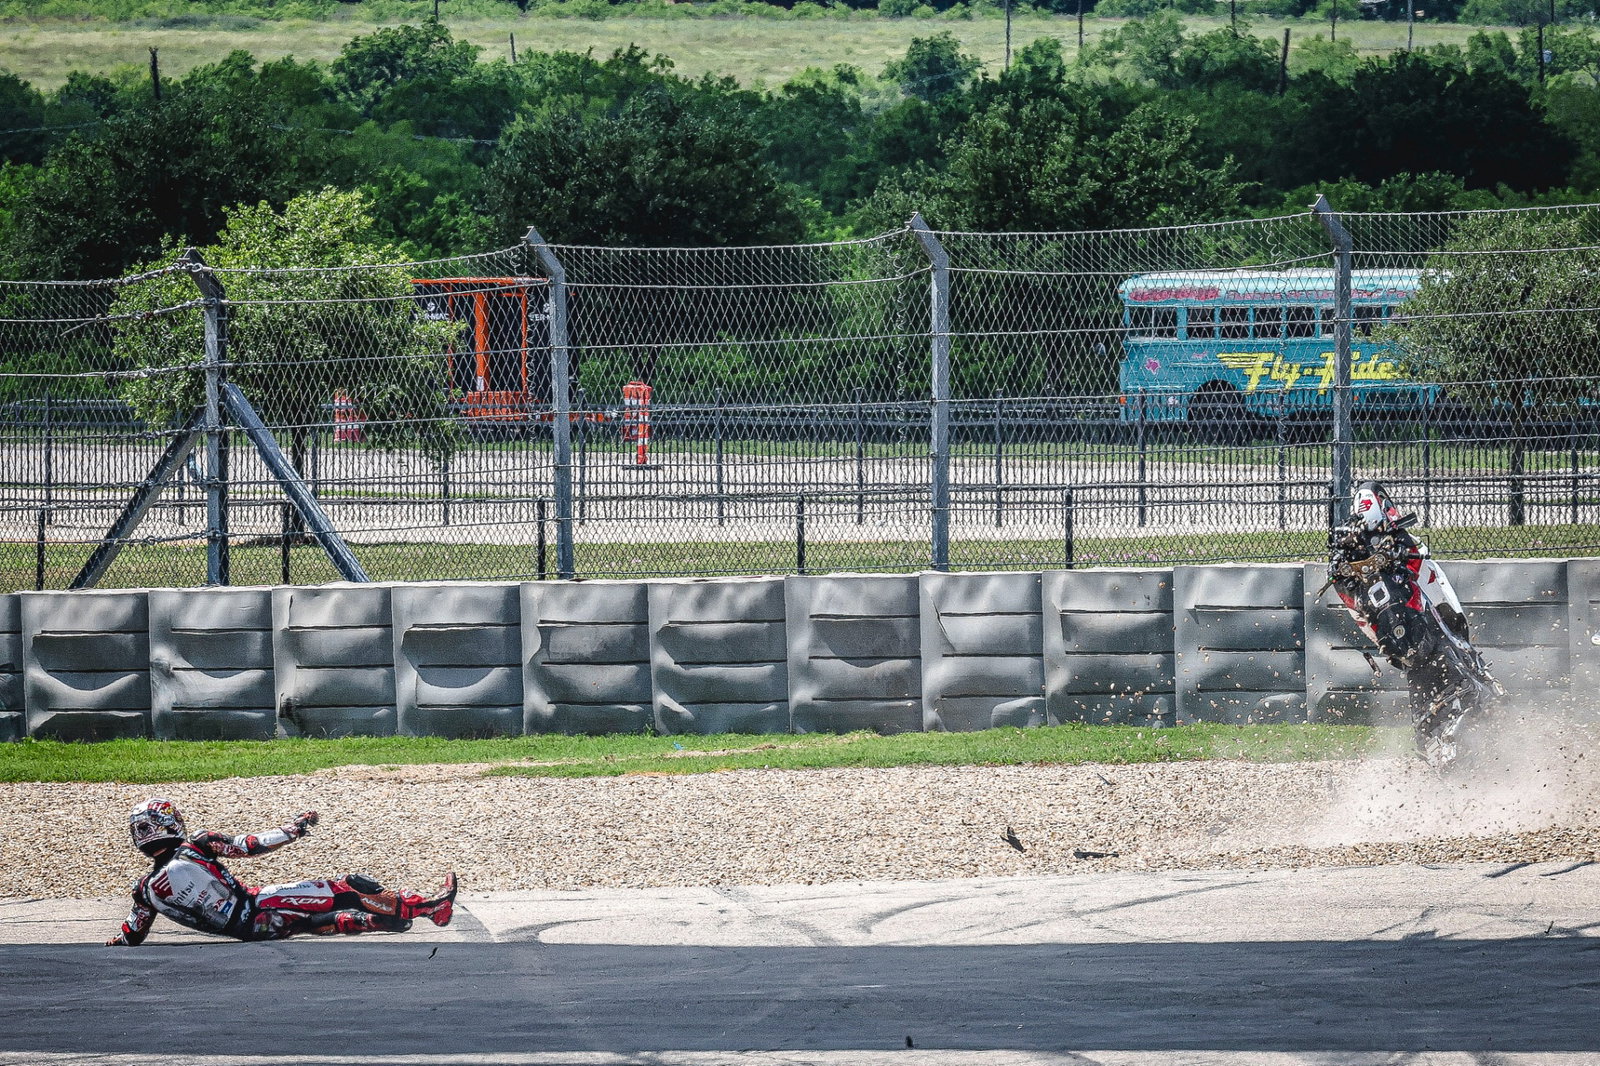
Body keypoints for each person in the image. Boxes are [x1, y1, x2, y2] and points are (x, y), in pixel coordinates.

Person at [107, 797, 458, 946]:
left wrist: (119, 941)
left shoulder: (145, 890)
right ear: (169, 824)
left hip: (250, 933)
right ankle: (429, 908)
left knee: (309, 920)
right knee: (347, 887)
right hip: (258, 905)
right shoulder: (198, 845)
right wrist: (296, 828)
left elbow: (133, 932)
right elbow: (252, 845)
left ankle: (379, 921)